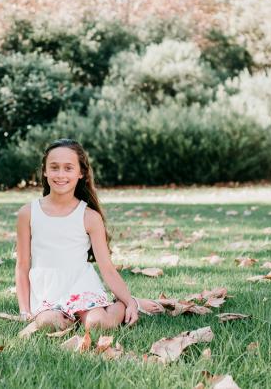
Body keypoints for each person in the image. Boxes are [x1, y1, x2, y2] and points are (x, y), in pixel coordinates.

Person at [15, 138, 164, 331]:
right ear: (44, 171)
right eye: (54, 167)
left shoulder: (89, 217)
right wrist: (24, 310)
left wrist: (129, 301)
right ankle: (67, 316)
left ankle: (121, 305)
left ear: (81, 173)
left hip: (81, 285)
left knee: (97, 324)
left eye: (68, 168)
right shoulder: (28, 213)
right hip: (47, 289)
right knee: (48, 323)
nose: (60, 174)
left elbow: (107, 268)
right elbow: (22, 266)